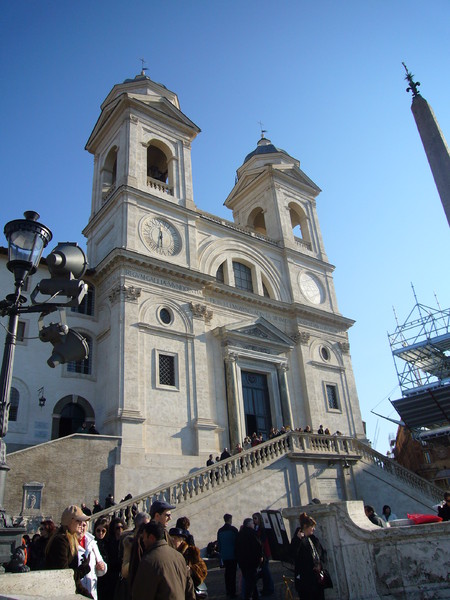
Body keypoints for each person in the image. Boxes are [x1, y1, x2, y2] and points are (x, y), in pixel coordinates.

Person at [132, 521, 196, 600]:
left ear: (151, 537)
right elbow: (189, 588)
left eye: (144, 537)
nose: (143, 540)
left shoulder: (149, 561)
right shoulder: (179, 556)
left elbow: (141, 594)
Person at [45, 505, 92, 597]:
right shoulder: (60, 541)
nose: (81, 524)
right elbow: (64, 574)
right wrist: (83, 569)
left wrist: (85, 594)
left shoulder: (70, 540)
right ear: (69, 522)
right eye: (78, 520)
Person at [290, 512, 328, 600]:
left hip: (316, 579)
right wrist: (297, 540)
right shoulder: (297, 540)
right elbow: (293, 554)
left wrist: (319, 565)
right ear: (306, 526)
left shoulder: (314, 539)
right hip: (305, 580)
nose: (314, 529)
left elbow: (322, 553)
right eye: (312, 527)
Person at [77, 520, 107, 600]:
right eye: (80, 525)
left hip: (91, 586)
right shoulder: (70, 541)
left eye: (84, 525)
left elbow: (100, 561)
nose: (82, 528)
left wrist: (101, 566)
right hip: (78, 586)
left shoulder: (92, 542)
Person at [235, 517, 263, 600]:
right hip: (252, 561)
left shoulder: (239, 534)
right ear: (250, 525)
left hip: (242, 562)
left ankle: (255, 596)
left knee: (248, 579)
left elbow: (236, 548)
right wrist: (260, 557)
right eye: (252, 523)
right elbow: (258, 546)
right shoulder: (252, 533)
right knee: (251, 581)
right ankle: (249, 596)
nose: (254, 525)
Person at [252, 512, 274, 596]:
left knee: (266, 571)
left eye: (255, 518)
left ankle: (270, 588)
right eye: (253, 518)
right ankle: (266, 588)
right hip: (260, 552)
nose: (254, 520)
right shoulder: (256, 528)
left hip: (264, 553)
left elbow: (262, 541)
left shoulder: (262, 529)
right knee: (264, 572)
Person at [217, 513, 239, 598]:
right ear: (230, 520)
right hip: (233, 554)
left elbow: (219, 544)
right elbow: (237, 542)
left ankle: (228, 590)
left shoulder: (220, 530)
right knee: (232, 573)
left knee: (227, 573)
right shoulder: (233, 529)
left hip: (224, 555)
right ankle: (232, 592)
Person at [93, 518, 110, 600]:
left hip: (108, 579)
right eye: (98, 530)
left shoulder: (110, 544)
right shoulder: (92, 543)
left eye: (103, 531)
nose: (100, 533)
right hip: (97, 578)